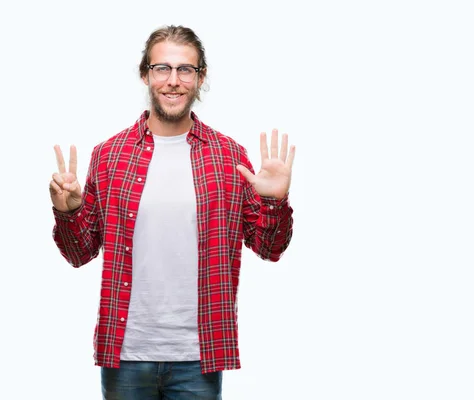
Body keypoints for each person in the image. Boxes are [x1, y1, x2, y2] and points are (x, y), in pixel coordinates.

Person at [49, 25, 295, 399]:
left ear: (201, 77)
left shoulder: (229, 156)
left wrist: (276, 200)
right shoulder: (109, 155)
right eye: (162, 68)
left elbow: (269, 248)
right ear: (146, 73)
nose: (173, 81)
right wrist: (67, 213)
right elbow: (80, 253)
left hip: (199, 356)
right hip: (127, 355)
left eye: (185, 70)